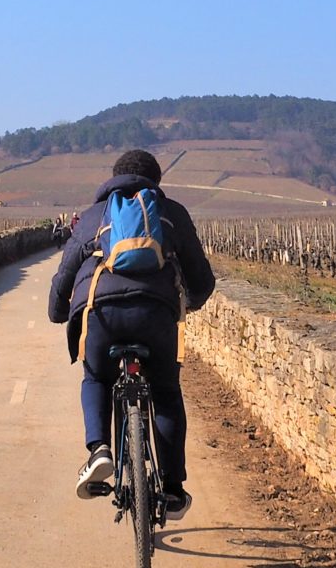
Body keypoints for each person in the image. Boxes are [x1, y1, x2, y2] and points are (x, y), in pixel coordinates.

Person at [48, 149, 215, 516]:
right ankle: (172, 488)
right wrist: (192, 302)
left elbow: (64, 277)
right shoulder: (171, 214)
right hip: (157, 315)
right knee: (166, 391)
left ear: (113, 178)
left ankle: (99, 451)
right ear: (156, 180)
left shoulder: (93, 217)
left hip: (101, 317)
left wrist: (58, 312)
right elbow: (201, 278)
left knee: (96, 378)